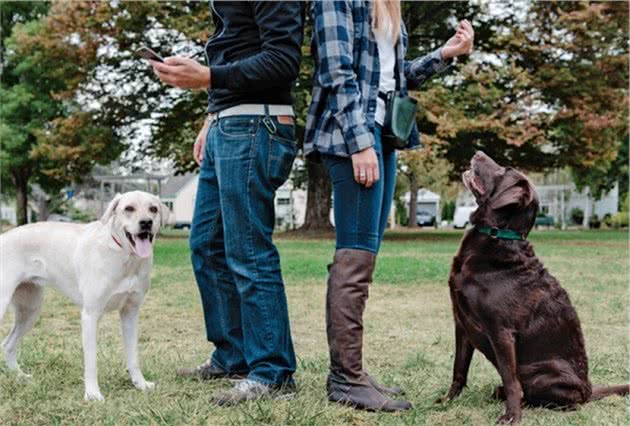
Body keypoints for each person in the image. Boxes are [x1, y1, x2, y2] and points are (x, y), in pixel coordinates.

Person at [304, 0, 474, 412]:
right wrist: (360, 142)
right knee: (355, 256)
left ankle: (351, 371)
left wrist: (444, 55)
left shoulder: (387, 6)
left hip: (383, 135)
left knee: (363, 256)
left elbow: (396, 78)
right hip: (352, 137)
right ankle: (346, 378)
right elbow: (336, 72)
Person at [149, 1, 304, 406]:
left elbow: (283, 60)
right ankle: (233, 357)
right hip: (228, 124)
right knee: (207, 246)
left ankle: (272, 371)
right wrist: (210, 118)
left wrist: (207, 76)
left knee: (248, 251)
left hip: (256, 125)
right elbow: (237, 49)